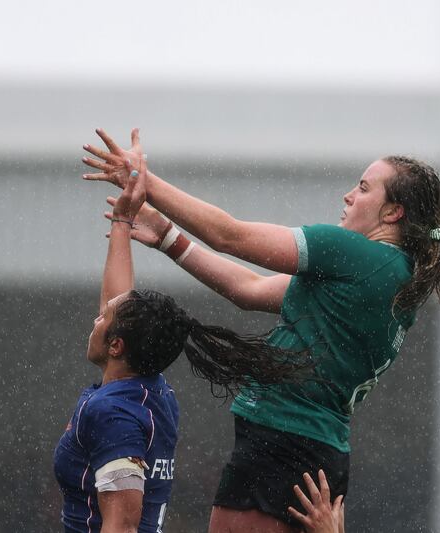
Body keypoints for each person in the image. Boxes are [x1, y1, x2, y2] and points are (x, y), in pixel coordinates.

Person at [82, 128, 440, 533]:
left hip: (284, 441)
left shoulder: (356, 256)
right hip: (306, 448)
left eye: (364, 188)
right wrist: (169, 238)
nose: (348, 195)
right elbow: (249, 290)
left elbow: (229, 235)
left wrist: (143, 180)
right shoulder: (388, 275)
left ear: (393, 213)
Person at [54, 157, 315, 533]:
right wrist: (122, 224)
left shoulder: (115, 414)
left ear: (116, 346)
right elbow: (117, 304)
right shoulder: (149, 391)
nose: (95, 320)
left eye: (102, 321)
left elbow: (122, 528)